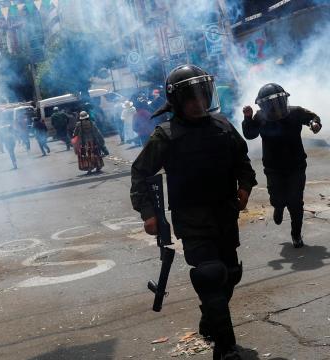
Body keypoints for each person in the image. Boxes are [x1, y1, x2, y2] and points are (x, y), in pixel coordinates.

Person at [131, 65, 257, 360]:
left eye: (203, 95)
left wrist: (245, 187)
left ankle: (211, 318)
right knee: (210, 274)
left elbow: (242, 160)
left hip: (224, 213)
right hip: (192, 217)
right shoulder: (165, 135)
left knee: (231, 273)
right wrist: (148, 213)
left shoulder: (222, 125)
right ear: (177, 102)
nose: (199, 103)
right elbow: (141, 173)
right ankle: (226, 349)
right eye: (192, 98)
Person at [242, 83, 322, 248]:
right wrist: (247, 118)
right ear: (264, 106)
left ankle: (296, 234)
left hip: (296, 166)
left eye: (278, 103)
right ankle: (278, 207)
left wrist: (315, 124)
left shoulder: (296, 112)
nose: (275, 109)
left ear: (284, 100)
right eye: (271, 106)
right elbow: (250, 135)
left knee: (296, 201)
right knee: (277, 198)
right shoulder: (260, 118)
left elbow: (313, 117)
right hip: (273, 168)